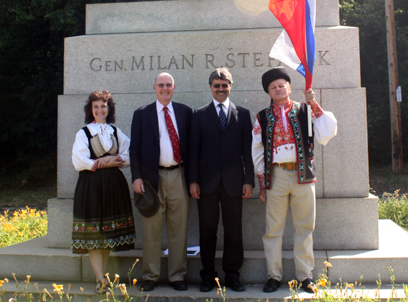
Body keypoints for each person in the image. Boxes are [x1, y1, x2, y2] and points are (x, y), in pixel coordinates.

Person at [252, 67, 337, 294]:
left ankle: (305, 276)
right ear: (268, 92)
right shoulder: (261, 117)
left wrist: (315, 104)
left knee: (304, 227)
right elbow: (257, 151)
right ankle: (273, 275)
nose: (278, 89)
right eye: (273, 87)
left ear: (289, 87)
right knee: (273, 230)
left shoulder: (305, 110)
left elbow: (327, 133)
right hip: (276, 176)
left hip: (303, 176)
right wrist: (263, 184)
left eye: (282, 85)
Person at [189, 68, 254, 292]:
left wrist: (249, 180)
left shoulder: (243, 114)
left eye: (224, 85)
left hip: (234, 182)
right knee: (207, 230)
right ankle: (208, 276)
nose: (220, 89)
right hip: (206, 183)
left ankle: (233, 276)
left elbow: (248, 151)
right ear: (210, 87)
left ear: (230, 87)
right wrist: (193, 181)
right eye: (216, 85)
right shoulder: (199, 114)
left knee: (234, 230)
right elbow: (193, 151)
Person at [130, 73, 192, 292]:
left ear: (174, 87)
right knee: (151, 229)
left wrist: (193, 179)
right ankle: (150, 276)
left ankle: (177, 276)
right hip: (150, 179)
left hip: (179, 175)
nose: (165, 88)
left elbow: (192, 149)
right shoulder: (142, 114)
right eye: (161, 85)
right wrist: (136, 177)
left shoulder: (185, 112)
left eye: (169, 85)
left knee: (179, 228)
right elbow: (134, 149)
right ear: (154, 87)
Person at [71, 90, 135, 294]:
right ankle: (100, 279)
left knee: (107, 233)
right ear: (91, 110)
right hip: (91, 186)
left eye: (103, 106)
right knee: (94, 233)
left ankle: (103, 276)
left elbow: (129, 154)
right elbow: (79, 161)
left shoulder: (116, 132)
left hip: (114, 186)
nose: (100, 110)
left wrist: (115, 160)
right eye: (96, 106)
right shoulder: (84, 133)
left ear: (109, 109)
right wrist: (108, 163)